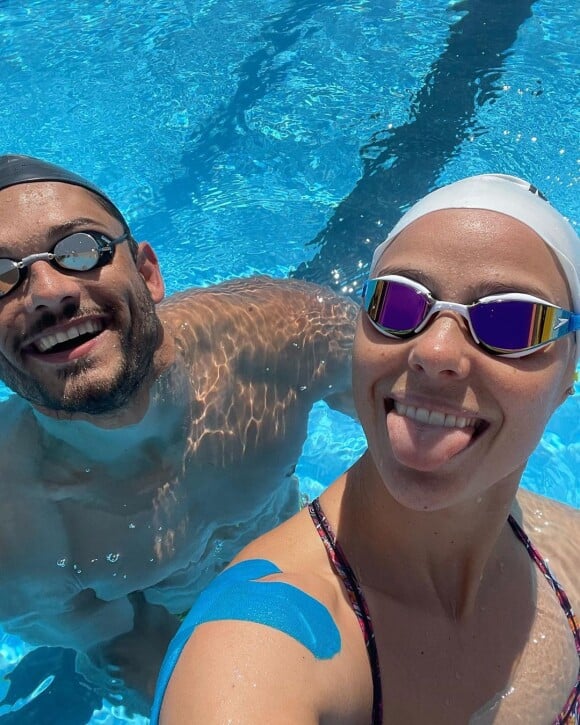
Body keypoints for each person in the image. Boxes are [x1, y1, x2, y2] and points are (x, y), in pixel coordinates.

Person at [152, 174, 580, 724]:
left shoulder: (563, 554)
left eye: (512, 320)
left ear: (569, 375)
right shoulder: (258, 641)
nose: (434, 350)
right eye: (398, 302)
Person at [0, 154, 358, 710]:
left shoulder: (288, 335)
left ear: (147, 273)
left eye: (80, 249)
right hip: (163, 628)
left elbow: (418, 422)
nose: (48, 291)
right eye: (1, 277)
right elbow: (125, 645)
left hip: (309, 555)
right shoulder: (13, 522)